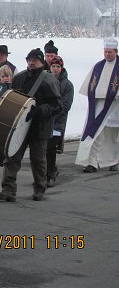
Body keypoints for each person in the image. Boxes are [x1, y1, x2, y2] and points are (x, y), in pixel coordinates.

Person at [0, 48, 61, 202]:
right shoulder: (19, 78)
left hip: (40, 126)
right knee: (11, 156)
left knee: (37, 159)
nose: (31, 62)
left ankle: (39, 188)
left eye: (34, 60)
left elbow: (57, 105)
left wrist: (39, 110)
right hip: (20, 125)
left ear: (41, 61)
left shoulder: (49, 80)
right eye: (29, 59)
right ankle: (8, 190)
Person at [76, 38, 119, 173]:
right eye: (105, 52)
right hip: (98, 105)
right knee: (95, 133)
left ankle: (115, 161)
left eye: (110, 52)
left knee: (114, 135)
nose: (107, 55)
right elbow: (90, 86)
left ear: (116, 52)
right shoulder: (98, 66)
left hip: (115, 105)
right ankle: (91, 162)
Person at [46, 56, 74, 186]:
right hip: (44, 120)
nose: (55, 69)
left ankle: (50, 174)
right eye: (53, 66)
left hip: (57, 122)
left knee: (51, 148)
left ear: (61, 68)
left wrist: (51, 110)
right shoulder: (44, 80)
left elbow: (66, 105)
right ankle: (48, 171)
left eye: (58, 66)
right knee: (42, 148)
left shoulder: (67, 85)